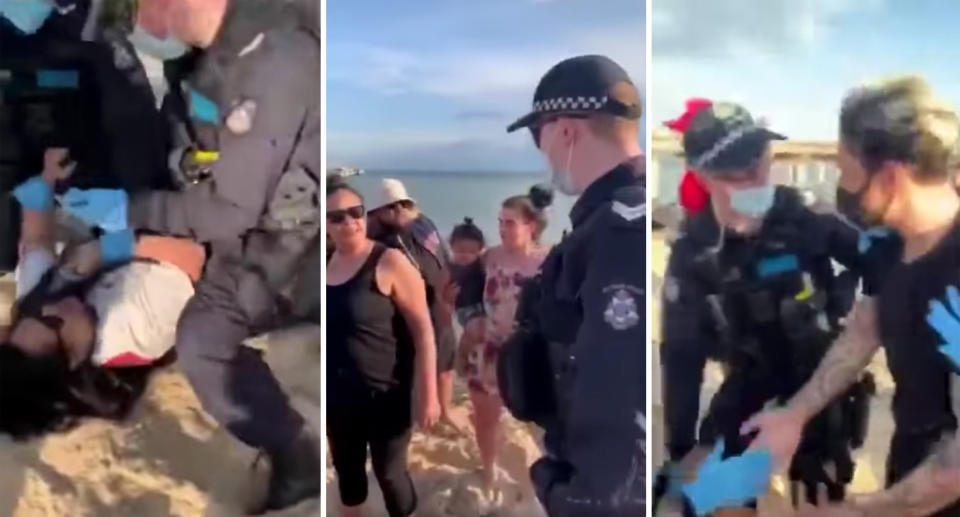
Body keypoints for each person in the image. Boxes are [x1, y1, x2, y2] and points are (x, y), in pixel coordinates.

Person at [66, 1, 323, 512]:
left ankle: (298, 454)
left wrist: (130, 213)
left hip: (279, 239)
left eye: (127, 14)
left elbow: (230, 212)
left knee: (203, 342)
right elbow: (191, 137)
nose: (131, 32)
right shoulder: (201, 55)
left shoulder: (271, 58)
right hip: (220, 205)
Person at [742, 77, 960, 517]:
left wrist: (862, 511)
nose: (842, 186)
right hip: (909, 468)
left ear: (891, 176)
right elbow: (867, 327)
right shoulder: (887, 241)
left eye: (846, 170)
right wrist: (795, 415)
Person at [655, 101, 881, 515]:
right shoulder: (696, 253)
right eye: (732, 177)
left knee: (821, 498)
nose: (751, 184)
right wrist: (680, 450)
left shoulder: (806, 219)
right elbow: (681, 358)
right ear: (702, 177)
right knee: (706, 493)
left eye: (757, 168)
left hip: (819, 381)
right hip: (749, 383)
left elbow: (888, 268)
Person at [500, 54, 646, 516]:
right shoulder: (607, 222)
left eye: (536, 135)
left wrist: (581, 501)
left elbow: (621, 398)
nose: (540, 152)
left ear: (564, 130)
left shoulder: (620, 230)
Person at [1, 148, 204, 439]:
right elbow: (193, 255)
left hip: (136, 227)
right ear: (72, 359)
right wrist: (105, 250)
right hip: (190, 237)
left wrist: (44, 177)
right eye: (53, 323)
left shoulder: (41, 312)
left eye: (33, 315)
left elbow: (36, 240)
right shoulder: (135, 329)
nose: (50, 309)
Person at [326, 183, 440, 517]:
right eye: (336, 217)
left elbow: (423, 330)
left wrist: (429, 395)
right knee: (347, 471)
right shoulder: (323, 265)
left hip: (386, 393)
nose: (348, 222)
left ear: (365, 216)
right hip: (338, 395)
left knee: (389, 474)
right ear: (327, 225)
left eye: (355, 213)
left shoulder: (389, 261)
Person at [453, 187, 551, 505]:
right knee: (485, 416)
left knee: (541, 422)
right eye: (500, 222)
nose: (502, 228)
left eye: (510, 222)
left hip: (529, 355)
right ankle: (489, 468)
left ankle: (548, 482)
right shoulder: (489, 257)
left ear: (531, 226)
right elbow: (464, 296)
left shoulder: (549, 261)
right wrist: (471, 321)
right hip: (489, 352)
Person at [366, 178, 461, 433]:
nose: (400, 210)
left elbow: (444, 255)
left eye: (403, 204)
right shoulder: (381, 242)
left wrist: (451, 288)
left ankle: (446, 409)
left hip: (441, 302)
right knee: (419, 365)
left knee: (446, 362)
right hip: (414, 310)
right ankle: (425, 414)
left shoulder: (423, 225)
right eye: (393, 206)